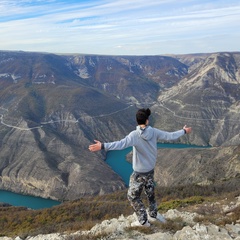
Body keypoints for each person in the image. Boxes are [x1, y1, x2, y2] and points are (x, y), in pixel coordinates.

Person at [89, 108, 192, 227]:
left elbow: (120, 144)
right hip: (150, 170)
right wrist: (184, 131)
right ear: (147, 121)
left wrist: (102, 146)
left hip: (139, 173)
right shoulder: (154, 132)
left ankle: (143, 221)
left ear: (137, 121)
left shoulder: (134, 135)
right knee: (150, 194)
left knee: (132, 196)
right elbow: (170, 136)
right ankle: (153, 214)